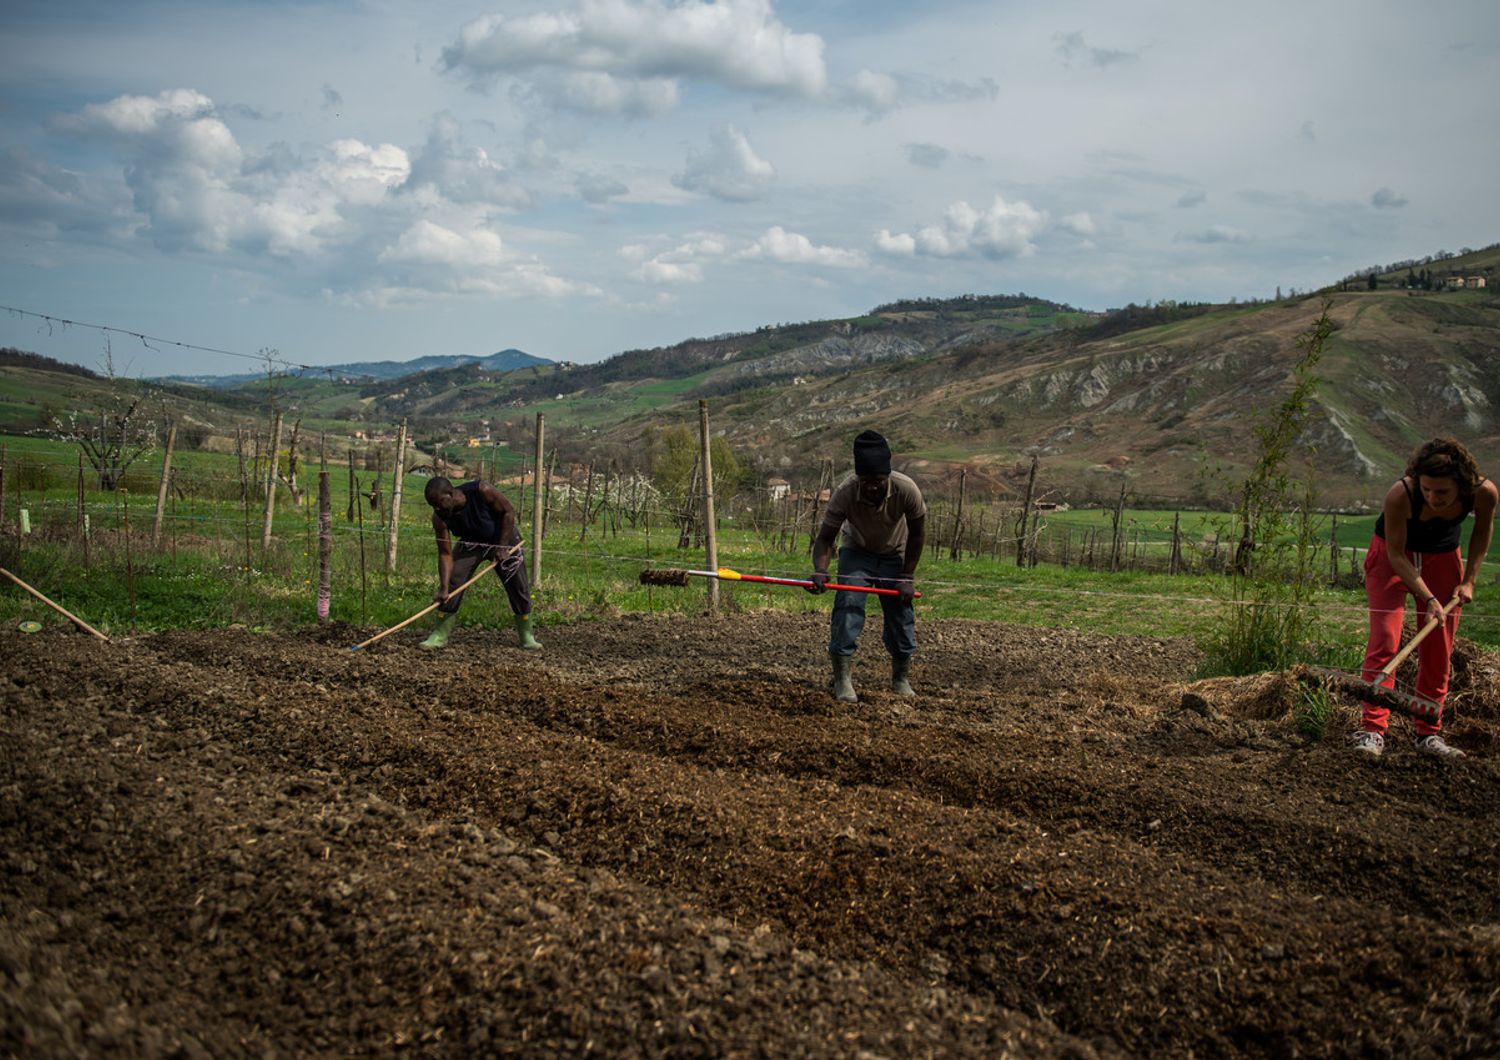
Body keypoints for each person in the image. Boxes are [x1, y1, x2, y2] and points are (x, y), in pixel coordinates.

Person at [1353, 438, 1495, 758]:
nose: (1433, 497)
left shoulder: (1483, 492)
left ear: (1461, 484)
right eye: (1427, 490)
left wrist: (1469, 580)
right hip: (1392, 559)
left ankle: (1428, 735)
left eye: (1442, 492)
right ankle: (1372, 731)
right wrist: (1429, 598)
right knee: (1386, 640)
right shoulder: (1400, 494)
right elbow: (1396, 554)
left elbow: (1483, 532)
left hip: (1443, 559)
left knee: (1438, 647)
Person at [806, 430, 926, 702]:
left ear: (888, 476)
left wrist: (907, 576)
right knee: (848, 601)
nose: (871, 486)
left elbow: (918, 534)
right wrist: (821, 570)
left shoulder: (907, 489)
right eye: (866, 480)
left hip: (895, 554)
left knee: (900, 612)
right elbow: (826, 537)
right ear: (858, 477)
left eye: (878, 480)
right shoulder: (846, 493)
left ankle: (900, 678)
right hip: (856, 552)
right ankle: (842, 679)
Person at [420, 476, 541, 651]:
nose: (437, 508)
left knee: (518, 584)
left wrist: (502, 546)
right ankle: (439, 634)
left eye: (439, 502)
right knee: (454, 580)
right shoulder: (440, 517)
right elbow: (445, 554)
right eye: (432, 505)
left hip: (502, 537)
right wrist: (444, 587)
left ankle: (527, 635)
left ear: (451, 493)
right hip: (471, 542)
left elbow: (508, 511)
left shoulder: (482, 490)